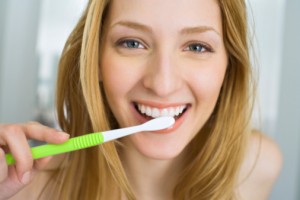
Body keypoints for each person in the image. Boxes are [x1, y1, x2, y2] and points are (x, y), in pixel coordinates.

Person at [0, 0, 283, 199]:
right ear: (96, 59)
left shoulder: (258, 166)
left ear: (228, 67)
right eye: (132, 43)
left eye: (197, 46)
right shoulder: (28, 191)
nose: (162, 84)